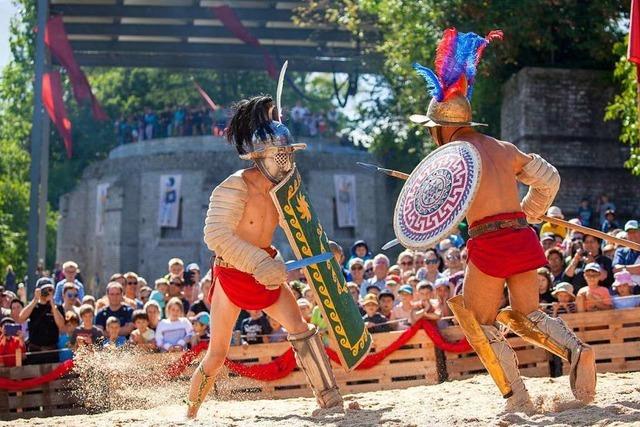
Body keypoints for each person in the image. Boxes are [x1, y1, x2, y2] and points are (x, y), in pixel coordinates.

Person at [410, 28, 595, 410]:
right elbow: (550, 179)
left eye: (433, 131)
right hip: (521, 238)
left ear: (442, 127)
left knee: (478, 320)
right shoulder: (503, 148)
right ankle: (576, 351)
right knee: (528, 314)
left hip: (490, 245)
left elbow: (441, 208)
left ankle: (518, 397)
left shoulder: (454, 156)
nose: (433, 138)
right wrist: (527, 214)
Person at [187, 95, 343, 417]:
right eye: (280, 153)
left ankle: (330, 401)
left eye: (288, 152)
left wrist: (322, 246)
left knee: (302, 330)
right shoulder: (232, 187)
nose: (285, 159)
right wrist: (257, 262)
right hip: (232, 274)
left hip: (268, 271)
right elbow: (216, 236)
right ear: (262, 156)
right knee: (217, 353)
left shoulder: (285, 188)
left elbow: (296, 227)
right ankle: (190, 412)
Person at [18, 278, 65, 364]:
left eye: (50, 289)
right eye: (44, 290)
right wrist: (35, 300)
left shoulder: (57, 307)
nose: (47, 292)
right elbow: (21, 318)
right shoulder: (33, 306)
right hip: (34, 352)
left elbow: (61, 326)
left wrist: (52, 304)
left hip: (51, 352)